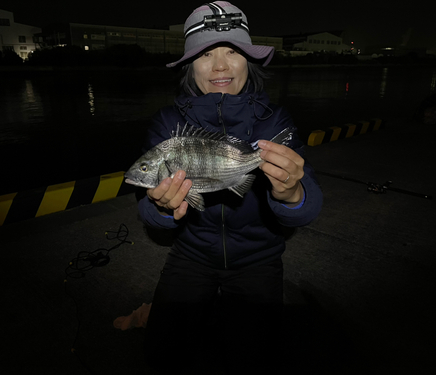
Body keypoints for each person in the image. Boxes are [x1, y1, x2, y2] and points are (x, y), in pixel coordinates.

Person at [136, 2, 323, 374]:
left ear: (247, 62)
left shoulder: (274, 120)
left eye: (232, 52)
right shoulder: (167, 123)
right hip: (190, 256)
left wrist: (292, 195)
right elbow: (148, 210)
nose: (220, 66)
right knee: (161, 354)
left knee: (255, 358)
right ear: (190, 65)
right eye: (206, 54)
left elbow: (310, 204)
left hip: (259, 259)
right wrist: (160, 208)